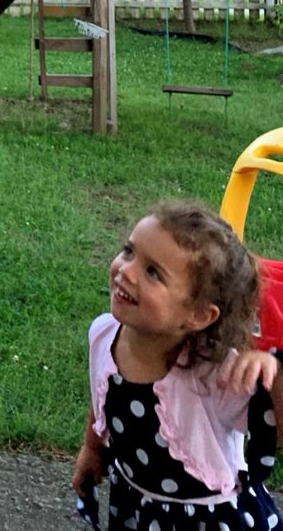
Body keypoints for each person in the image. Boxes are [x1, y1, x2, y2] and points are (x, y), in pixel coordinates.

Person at [72, 200, 283, 530]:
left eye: (153, 272)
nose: (125, 270)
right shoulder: (104, 333)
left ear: (199, 315)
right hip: (135, 506)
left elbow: (278, 428)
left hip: (206, 521)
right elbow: (102, 399)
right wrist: (92, 448)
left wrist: (273, 369)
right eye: (129, 251)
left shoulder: (213, 373)